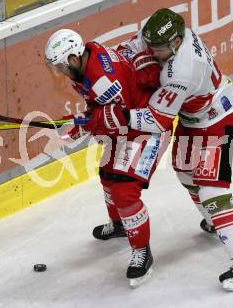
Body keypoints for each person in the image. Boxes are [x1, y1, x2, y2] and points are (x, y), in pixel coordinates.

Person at [87, 8, 233, 291]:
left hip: (219, 120)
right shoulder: (163, 30)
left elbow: (157, 119)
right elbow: (135, 46)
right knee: (185, 172)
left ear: (174, 43)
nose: (152, 52)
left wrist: (119, 116)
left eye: (157, 49)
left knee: (211, 190)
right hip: (193, 119)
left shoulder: (183, 70)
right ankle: (215, 222)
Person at [44, 29, 169, 288]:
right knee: (107, 175)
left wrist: (77, 125)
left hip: (146, 126)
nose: (60, 73)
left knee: (124, 191)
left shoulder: (102, 79)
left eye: (60, 66)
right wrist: (78, 124)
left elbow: (115, 119)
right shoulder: (87, 61)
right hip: (128, 123)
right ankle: (121, 225)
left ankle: (142, 252)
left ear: (73, 59)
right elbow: (100, 111)